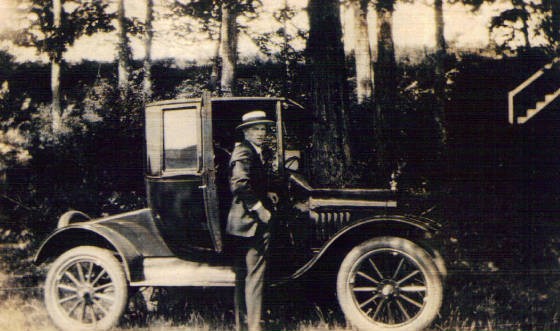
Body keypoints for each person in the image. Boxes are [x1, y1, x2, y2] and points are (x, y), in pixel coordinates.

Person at [227, 110, 279, 331]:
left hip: (240, 224)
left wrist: (265, 193)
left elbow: (251, 182)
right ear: (246, 132)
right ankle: (255, 328)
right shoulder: (244, 152)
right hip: (250, 223)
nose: (261, 133)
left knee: (244, 277)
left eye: (263, 128)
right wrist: (260, 209)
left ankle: (244, 326)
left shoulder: (253, 152)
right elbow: (239, 183)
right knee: (254, 277)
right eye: (256, 129)